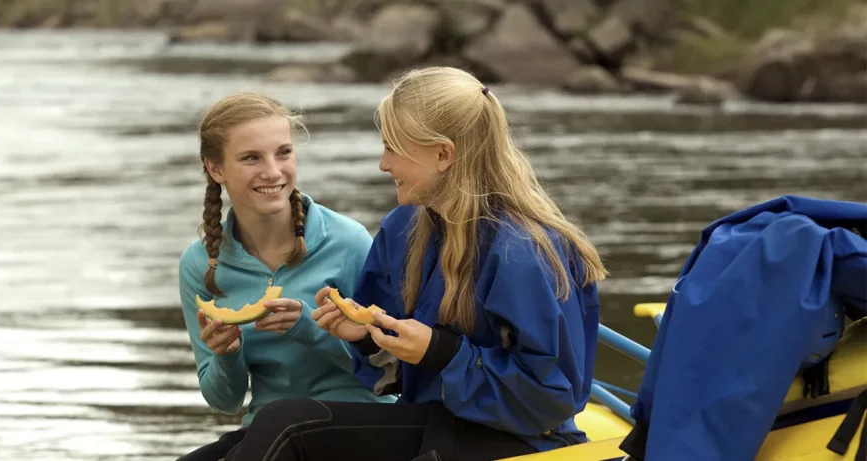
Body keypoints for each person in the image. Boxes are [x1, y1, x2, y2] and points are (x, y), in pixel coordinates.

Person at [222, 67, 609, 461]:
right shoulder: (403, 228)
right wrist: (366, 335)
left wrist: (441, 351)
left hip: (519, 442)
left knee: (288, 426)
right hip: (434, 421)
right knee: (257, 431)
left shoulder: (523, 252)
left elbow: (551, 399)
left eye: (392, 148)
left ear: (443, 154)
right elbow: (394, 364)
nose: (383, 164)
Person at [175, 92, 395, 461]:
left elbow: (388, 368)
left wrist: (308, 329)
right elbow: (224, 401)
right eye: (251, 158)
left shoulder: (348, 241)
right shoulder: (199, 265)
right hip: (266, 429)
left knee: (283, 422)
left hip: (360, 419)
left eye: (284, 153)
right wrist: (227, 354)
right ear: (216, 169)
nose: (274, 171)